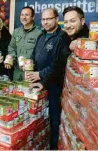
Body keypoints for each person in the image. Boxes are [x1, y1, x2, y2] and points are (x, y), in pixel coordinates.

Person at [25, 8, 70, 150]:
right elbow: (34, 55)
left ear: (56, 19)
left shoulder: (63, 37)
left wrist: (41, 77)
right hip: (39, 83)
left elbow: (58, 64)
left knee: (54, 119)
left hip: (53, 86)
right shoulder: (41, 35)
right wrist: (29, 67)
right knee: (39, 117)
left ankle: (53, 146)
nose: (45, 22)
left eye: (49, 19)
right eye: (43, 19)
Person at [30, 6, 89, 90]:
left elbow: (57, 66)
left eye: (72, 21)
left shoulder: (91, 39)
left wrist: (83, 41)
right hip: (72, 92)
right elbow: (59, 62)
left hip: (87, 93)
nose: (68, 25)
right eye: (66, 22)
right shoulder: (68, 37)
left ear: (82, 21)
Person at [4, 6, 41, 81]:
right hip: (17, 72)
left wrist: (30, 64)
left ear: (33, 17)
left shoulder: (39, 33)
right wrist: (11, 59)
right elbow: (12, 47)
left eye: (27, 15)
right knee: (16, 92)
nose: (24, 17)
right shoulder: (16, 31)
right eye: (22, 15)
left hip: (30, 73)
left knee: (29, 92)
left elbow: (40, 53)